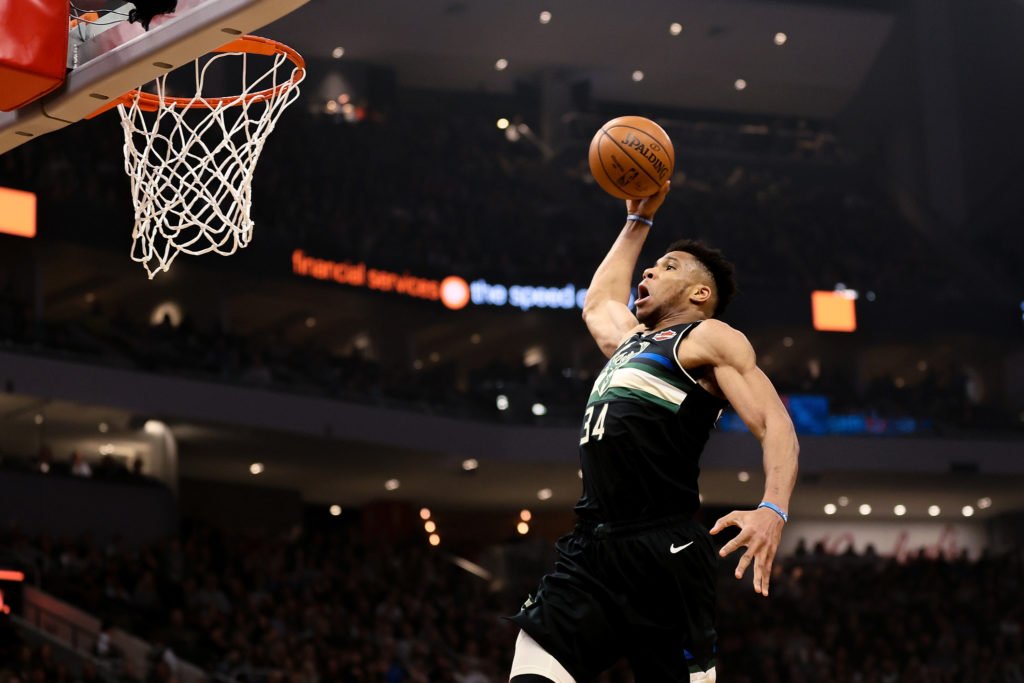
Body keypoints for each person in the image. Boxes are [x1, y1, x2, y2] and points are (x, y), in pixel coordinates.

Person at [508, 181, 799, 683]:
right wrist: (637, 220)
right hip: (591, 545)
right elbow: (598, 303)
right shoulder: (631, 342)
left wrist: (772, 508)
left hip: (665, 553)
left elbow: (775, 424)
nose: (648, 269)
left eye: (668, 267)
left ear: (699, 293)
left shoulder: (707, 337)